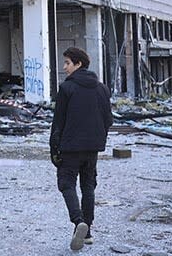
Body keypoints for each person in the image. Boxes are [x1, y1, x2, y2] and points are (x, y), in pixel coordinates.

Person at [49, 47, 113, 251]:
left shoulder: (66, 89)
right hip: (92, 147)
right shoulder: (102, 88)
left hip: (70, 147)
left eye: (67, 63)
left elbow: (58, 122)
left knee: (66, 184)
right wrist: (97, 138)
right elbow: (108, 120)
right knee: (88, 185)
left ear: (79, 64)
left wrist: (54, 148)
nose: (64, 67)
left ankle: (78, 222)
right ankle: (88, 232)